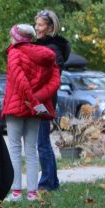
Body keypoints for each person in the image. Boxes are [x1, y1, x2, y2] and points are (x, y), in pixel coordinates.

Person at [2, 24, 61, 201]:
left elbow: (19, 80)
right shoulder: (46, 56)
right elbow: (55, 81)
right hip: (35, 110)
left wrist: (31, 100)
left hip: (16, 106)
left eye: (12, 36)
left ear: (17, 38)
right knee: (31, 149)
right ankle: (33, 193)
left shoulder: (14, 52)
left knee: (14, 148)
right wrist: (37, 100)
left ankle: (17, 192)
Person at [33, 10, 70, 191]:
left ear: (50, 27)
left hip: (45, 100)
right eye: (36, 25)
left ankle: (47, 183)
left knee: (42, 141)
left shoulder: (52, 49)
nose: (36, 28)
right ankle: (53, 182)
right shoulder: (41, 46)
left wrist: (38, 95)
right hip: (41, 98)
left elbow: (53, 77)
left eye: (40, 25)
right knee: (43, 140)